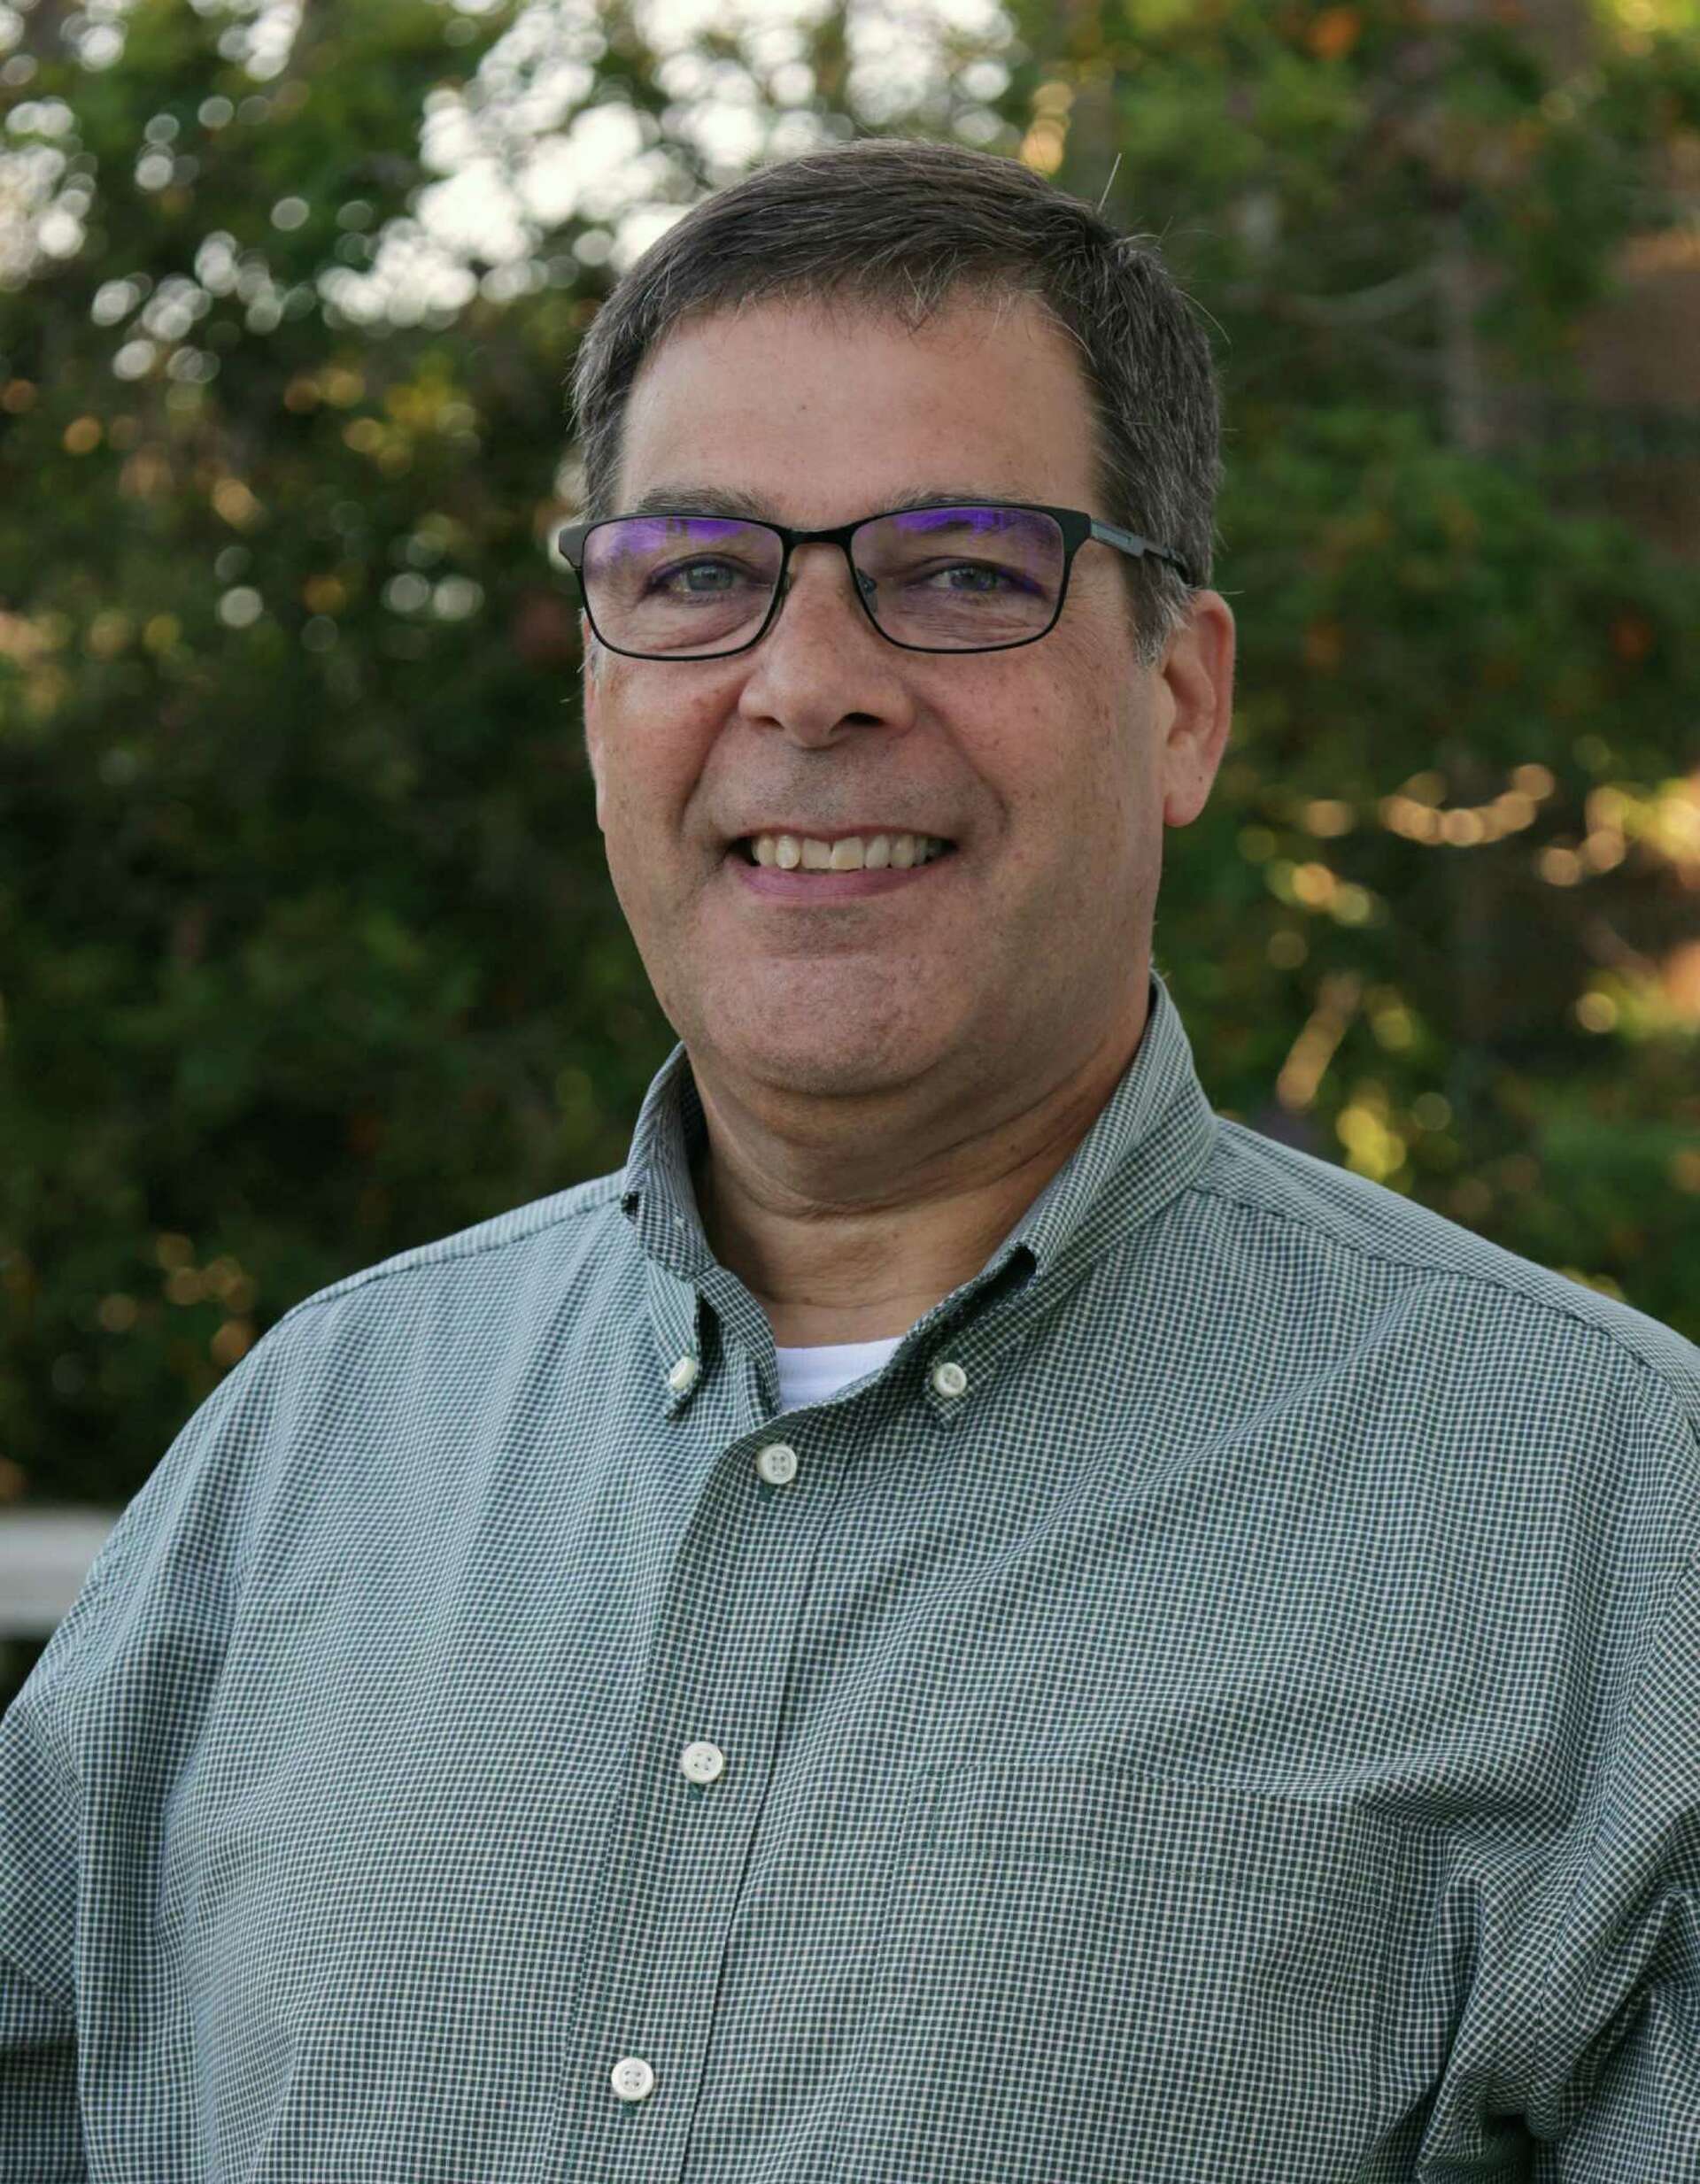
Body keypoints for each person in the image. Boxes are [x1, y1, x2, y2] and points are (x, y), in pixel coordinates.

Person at [3, 135, 1696, 2183]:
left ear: (1181, 699)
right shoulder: (308, 1454)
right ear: (601, 690)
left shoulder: (1613, 1529)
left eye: (964, 569)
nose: (807, 687)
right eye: (698, 575)